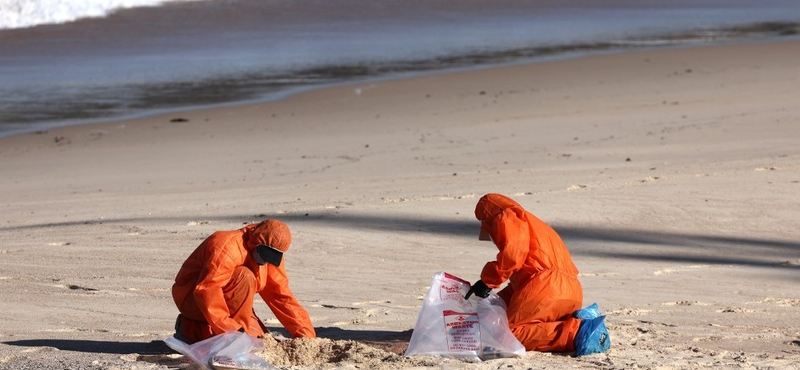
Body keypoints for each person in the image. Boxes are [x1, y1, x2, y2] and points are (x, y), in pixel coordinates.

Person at [464, 193, 609, 356]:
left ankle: (577, 333)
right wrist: (492, 305)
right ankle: (582, 320)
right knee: (515, 319)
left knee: (510, 334)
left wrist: (488, 281)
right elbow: (520, 287)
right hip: (571, 291)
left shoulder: (506, 216)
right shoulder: (535, 225)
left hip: (545, 287)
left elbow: (513, 255)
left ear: (488, 216)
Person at [172, 219, 316, 343]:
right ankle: (191, 329)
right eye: (264, 254)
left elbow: (281, 295)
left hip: (232, 302)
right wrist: (231, 331)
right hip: (192, 298)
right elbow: (207, 289)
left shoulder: (269, 259)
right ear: (255, 242)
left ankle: (198, 331)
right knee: (244, 276)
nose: (264, 261)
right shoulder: (227, 245)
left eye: (271, 257)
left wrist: (305, 334)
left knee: (261, 342)